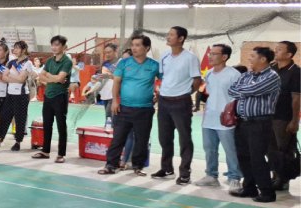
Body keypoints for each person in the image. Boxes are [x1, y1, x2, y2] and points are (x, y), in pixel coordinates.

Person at [98, 35, 161, 177]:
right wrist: (115, 101)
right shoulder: (124, 63)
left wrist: (159, 93)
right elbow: (117, 82)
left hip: (145, 109)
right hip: (124, 108)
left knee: (142, 139)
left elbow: (165, 81)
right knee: (118, 138)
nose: (134, 48)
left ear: (147, 48)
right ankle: (111, 165)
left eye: (138, 45)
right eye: (133, 45)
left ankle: (138, 166)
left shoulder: (154, 65)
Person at [228, 47, 282, 202]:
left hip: (260, 123)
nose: (249, 58)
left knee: (257, 157)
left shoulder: (272, 76)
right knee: (243, 156)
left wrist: (243, 90)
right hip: (242, 122)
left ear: (263, 59)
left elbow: (254, 89)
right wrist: (245, 90)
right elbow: (231, 90)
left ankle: (267, 192)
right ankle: (249, 188)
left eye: (252, 56)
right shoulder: (246, 75)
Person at [152, 26, 201, 184]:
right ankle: (167, 168)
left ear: (181, 39)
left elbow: (196, 80)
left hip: (181, 102)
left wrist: (185, 93)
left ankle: (185, 172)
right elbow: (164, 77)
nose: (168, 37)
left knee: (184, 138)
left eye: (171, 35)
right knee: (164, 137)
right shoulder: (165, 56)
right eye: (168, 34)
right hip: (164, 102)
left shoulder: (190, 58)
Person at [194, 44, 243, 189]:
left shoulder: (234, 74)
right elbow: (208, 94)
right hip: (209, 118)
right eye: (210, 53)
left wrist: (234, 114)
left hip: (226, 120)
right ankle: (211, 175)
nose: (210, 56)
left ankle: (234, 177)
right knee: (209, 149)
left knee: (230, 150)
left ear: (224, 57)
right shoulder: (208, 73)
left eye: (214, 54)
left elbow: (240, 96)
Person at [0, 41, 33, 151]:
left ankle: (18, 141)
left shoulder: (27, 63)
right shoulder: (12, 62)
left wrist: (13, 79)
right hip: (10, 93)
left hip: (21, 95)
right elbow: (4, 77)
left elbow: (22, 79)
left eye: (18, 48)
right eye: (14, 48)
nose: (15, 50)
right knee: (4, 116)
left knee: (19, 118)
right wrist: (16, 80)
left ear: (23, 50)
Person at [34, 36, 72, 162]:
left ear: (64, 47)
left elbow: (60, 78)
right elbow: (41, 76)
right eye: (53, 45)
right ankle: (45, 151)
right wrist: (53, 78)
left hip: (60, 96)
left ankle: (61, 154)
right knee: (47, 124)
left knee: (61, 125)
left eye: (57, 45)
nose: (54, 47)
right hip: (48, 96)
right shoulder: (50, 61)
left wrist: (50, 77)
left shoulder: (67, 61)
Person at [269, 41, 299, 191]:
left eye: (279, 49)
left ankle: (283, 179)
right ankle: (275, 176)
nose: (276, 51)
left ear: (289, 55)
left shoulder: (296, 72)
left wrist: (295, 120)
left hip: (283, 117)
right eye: (276, 48)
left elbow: (296, 98)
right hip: (268, 115)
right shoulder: (271, 68)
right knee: (271, 149)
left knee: (283, 150)